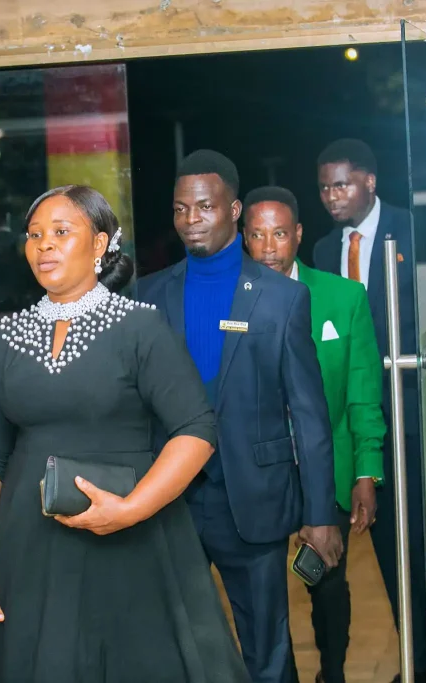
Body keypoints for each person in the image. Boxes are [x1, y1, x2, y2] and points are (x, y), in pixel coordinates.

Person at [0, 185, 249, 683]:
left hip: (132, 545)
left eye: (61, 232)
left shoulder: (140, 327)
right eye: (34, 235)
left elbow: (196, 429)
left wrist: (130, 510)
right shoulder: (2, 338)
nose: (44, 245)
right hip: (28, 550)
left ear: (99, 244)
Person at [139, 150, 341, 683]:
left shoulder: (282, 298)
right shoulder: (149, 295)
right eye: (181, 208)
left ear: (233, 210)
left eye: (204, 206)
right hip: (172, 502)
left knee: (266, 651)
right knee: (177, 647)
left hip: (253, 499)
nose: (191, 219)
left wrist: (320, 513)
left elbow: (310, 415)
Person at [312, 138, 426, 683]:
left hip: (406, 421)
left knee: (402, 554)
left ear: (370, 182)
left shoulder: (414, 231)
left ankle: (419, 667)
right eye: (324, 188)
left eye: (341, 184)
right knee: (329, 559)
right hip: (345, 425)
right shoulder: (322, 251)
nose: (332, 196)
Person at [243, 185, 385, 683]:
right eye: (257, 235)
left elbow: (362, 392)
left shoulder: (343, 298)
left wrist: (367, 471)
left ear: (298, 234)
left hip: (326, 468)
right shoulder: (231, 304)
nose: (268, 248)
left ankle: (332, 673)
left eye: (279, 234)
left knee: (326, 582)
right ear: (243, 238)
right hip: (257, 470)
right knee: (261, 592)